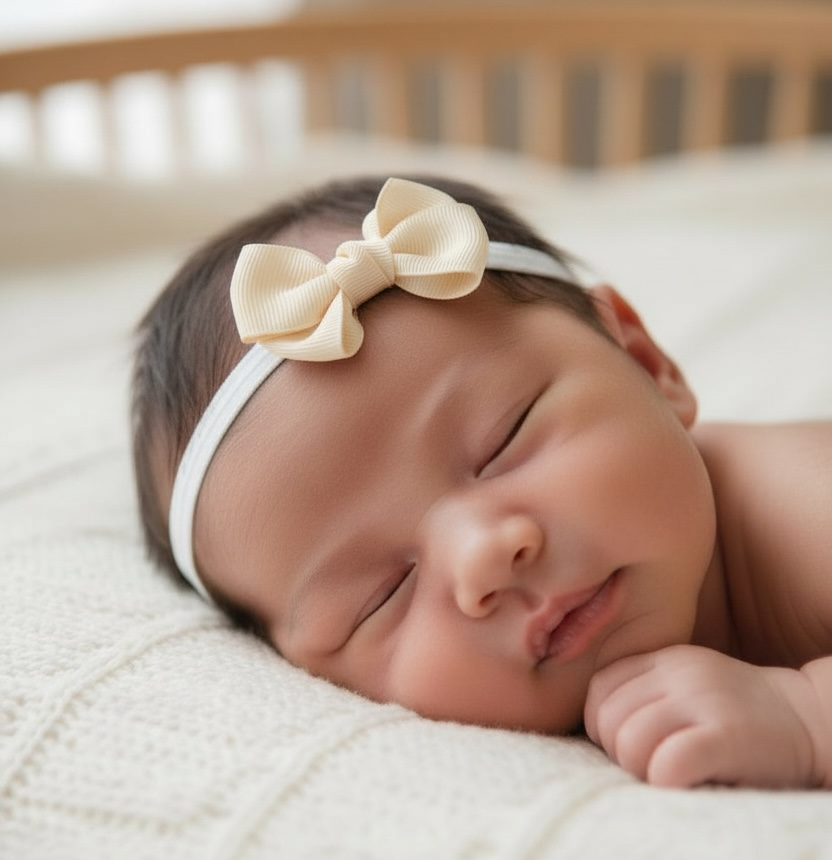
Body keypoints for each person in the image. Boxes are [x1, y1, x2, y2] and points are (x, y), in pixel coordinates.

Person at [132, 174, 832, 791]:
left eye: (506, 440)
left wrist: (804, 718)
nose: (484, 554)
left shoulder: (801, 503)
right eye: (381, 597)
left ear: (645, 362)